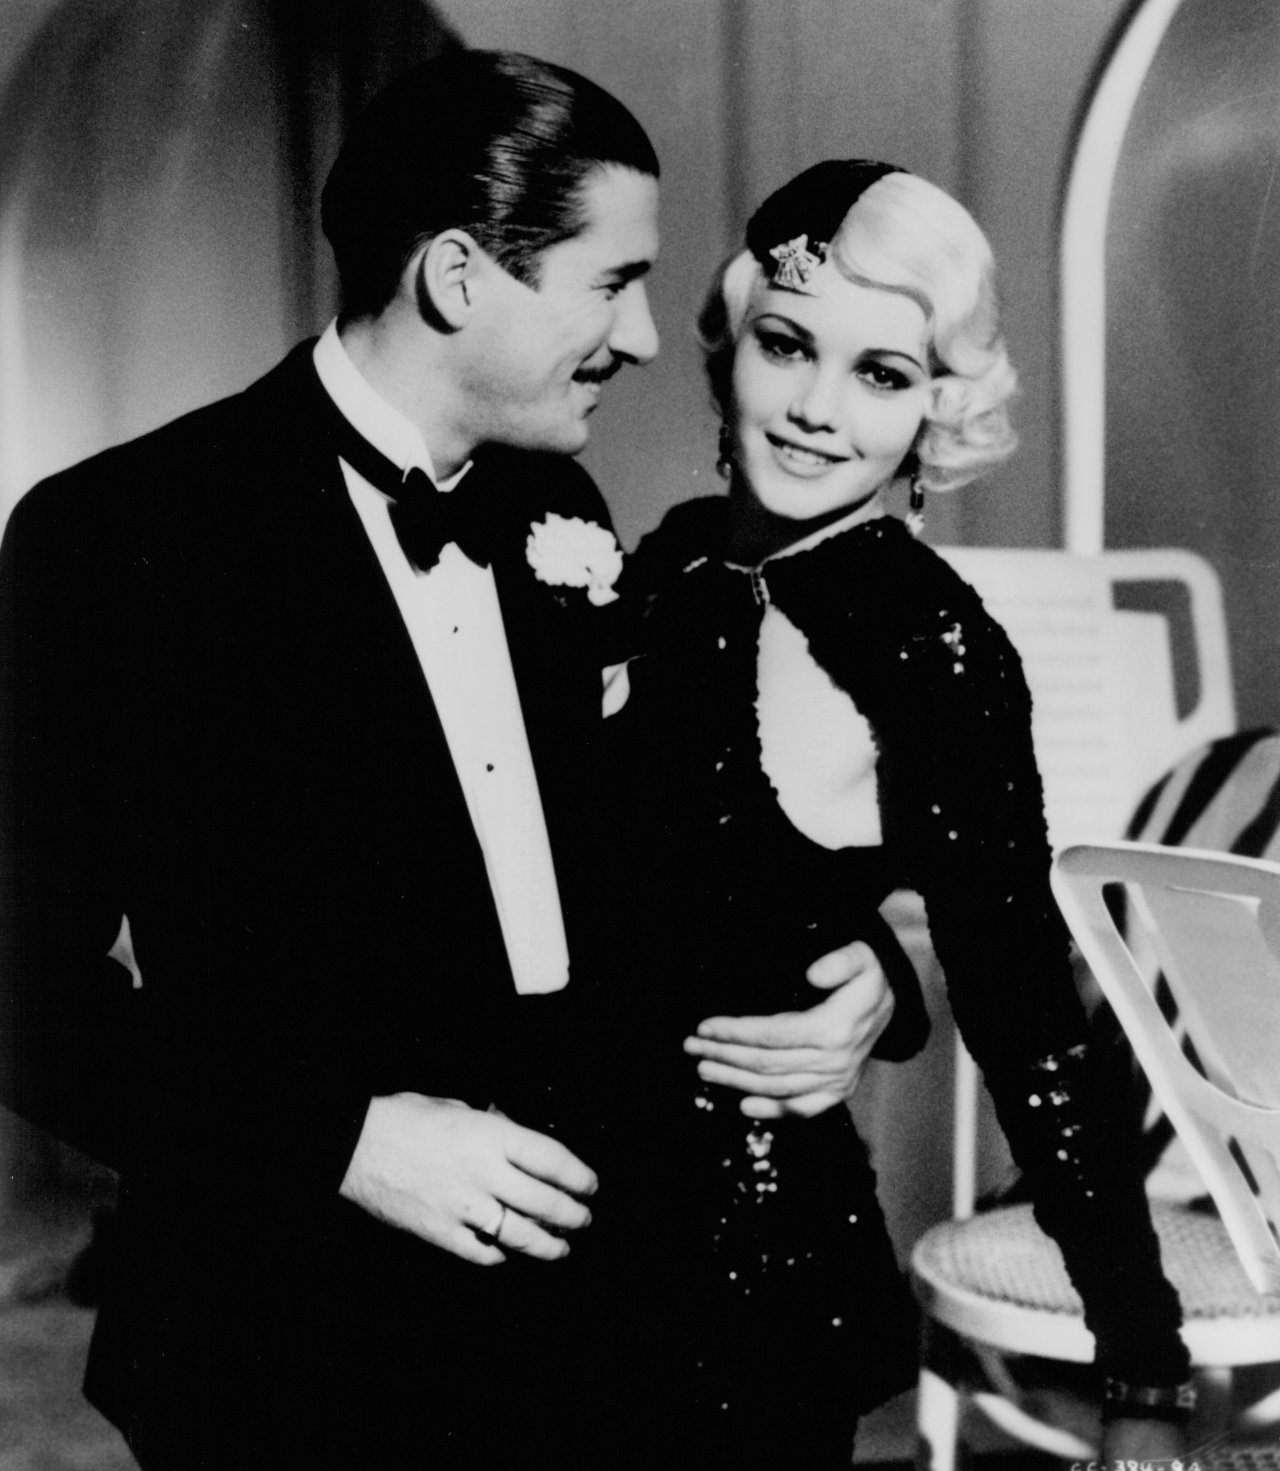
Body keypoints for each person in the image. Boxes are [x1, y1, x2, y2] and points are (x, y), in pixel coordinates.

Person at [0, 60, 916, 1469]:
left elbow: (658, 848)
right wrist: (342, 1141)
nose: (647, 337)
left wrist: (868, 969)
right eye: (613, 284)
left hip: (599, 1309)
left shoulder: (559, 504)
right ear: (455, 276)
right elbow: (21, 983)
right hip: (299, 1335)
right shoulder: (122, 536)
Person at [600, 159, 1196, 1468]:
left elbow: (1029, 1013)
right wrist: (882, 943)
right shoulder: (676, 554)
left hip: (745, 1284)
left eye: (881, 373)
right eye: (786, 346)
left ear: (938, 407)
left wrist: (1141, 1376)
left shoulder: (934, 648)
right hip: (563, 1237)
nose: (817, 409)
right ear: (731, 349)